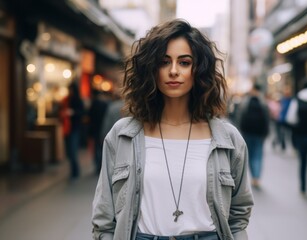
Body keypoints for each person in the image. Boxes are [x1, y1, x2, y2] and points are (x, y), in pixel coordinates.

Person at [92, 19, 253, 240]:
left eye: (184, 62)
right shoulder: (123, 136)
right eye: (164, 62)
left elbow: (239, 215)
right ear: (151, 68)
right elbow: (104, 218)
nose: (174, 71)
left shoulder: (228, 139)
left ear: (199, 70)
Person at [237, 83, 270, 189]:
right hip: (259, 133)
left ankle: (253, 177)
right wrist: (266, 132)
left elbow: (240, 116)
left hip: (247, 132)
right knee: (258, 155)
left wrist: (240, 130)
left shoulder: (246, 101)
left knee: (250, 154)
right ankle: (256, 177)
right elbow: (267, 118)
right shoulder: (263, 102)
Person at [59, 82, 85, 179]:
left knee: (73, 151)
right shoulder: (66, 100)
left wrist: (73, 113)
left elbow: (82, 113)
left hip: (74, 128)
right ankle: (73, 170)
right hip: (67, 128)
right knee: (69, 152)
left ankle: (75, 171)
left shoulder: (77, 100)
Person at [88, 89, 109, 174]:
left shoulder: (93, 104)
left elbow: (89, 116)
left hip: (95, 129)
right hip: (102, 128)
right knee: (101, 147)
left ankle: (98, 166)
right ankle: (101, 165)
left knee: (97, 148)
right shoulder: (105, 104)